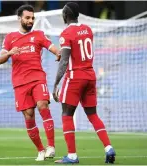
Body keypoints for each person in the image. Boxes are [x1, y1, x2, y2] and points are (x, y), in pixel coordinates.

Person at [52, 2, 116, 164]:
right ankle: (108, 147)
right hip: (90, 75)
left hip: (75, 77)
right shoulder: (87, 30)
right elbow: (78, 50)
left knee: (67, 114)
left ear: (66, 14)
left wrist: (55, 84)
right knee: (93, 114)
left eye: (63, 13)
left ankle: (72, 156)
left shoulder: (66, 33)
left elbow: (65, 60)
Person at [0, 5, 61, 161]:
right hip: (20, 83)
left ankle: (51, 146)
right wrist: (10, 52)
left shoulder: (39, 35)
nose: (30, 20)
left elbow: (52, 47)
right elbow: (0, 59)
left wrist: (59, 53)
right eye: (27, 18)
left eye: (32, 18)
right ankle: (40, 149)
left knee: (43, 106)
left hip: (37, 78)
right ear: (19, 18)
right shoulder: (10, 37)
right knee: (29, 115)